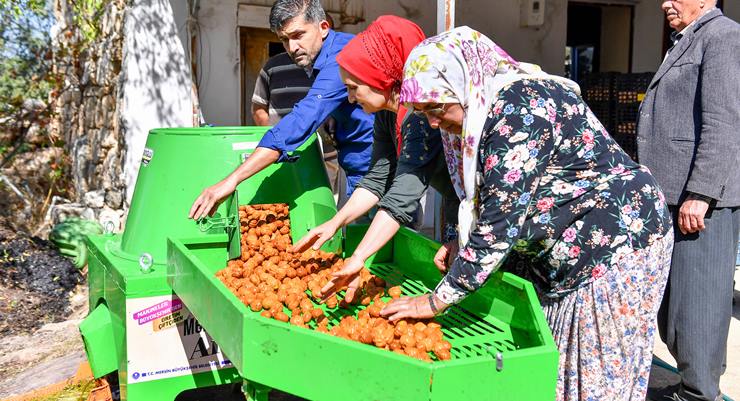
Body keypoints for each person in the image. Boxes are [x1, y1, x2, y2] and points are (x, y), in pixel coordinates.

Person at [325, 27, 674, 401]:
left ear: (462, 83)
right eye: (423, 110)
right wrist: (458, 239)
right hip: (561, 252)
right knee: (556, 373)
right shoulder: (472, 113)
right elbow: (482, 196)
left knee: (595, 380)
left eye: (436, 108)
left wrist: (436, 301)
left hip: (614, 247)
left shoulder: (519, 109)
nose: (431, 121)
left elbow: (498, 222)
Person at [291, 16, 459, 297]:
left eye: (354, 88)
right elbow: (377, 179)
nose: (351, 98)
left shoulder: (419, 117)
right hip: (458, 206)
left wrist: (358, 258)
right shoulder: (384, 114)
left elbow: (401, 199)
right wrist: (335, 223)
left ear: (379, 78)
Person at [636, 1, 740, 400]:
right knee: (676, 307)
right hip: (671, 195)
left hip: (698, 201)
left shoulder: (723, 36)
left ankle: (699, 393)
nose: (666, 3)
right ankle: (690, 386)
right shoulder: (688, 38)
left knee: (698, 305)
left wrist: (701, 193)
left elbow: (723, 122)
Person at [189, 0, 373, 220]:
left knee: (389, 246)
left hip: (378, 170)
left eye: (298, 35)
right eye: (284, 39)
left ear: (324, 28)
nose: (291, 48)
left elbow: (305, 117)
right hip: (355, 168)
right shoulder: (316, 59)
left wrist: (232, 180)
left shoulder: (341, 57)